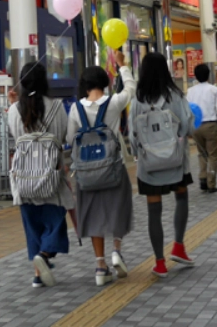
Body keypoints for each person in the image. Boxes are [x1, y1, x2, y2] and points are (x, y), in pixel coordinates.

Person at [66, 52, 136, 286]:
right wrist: (122, 66)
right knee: (118, 208)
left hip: (86, 173)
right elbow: (131, 89)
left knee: (94, 214)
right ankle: (116, 250)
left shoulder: (75, 109)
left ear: (85, 85)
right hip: (114, 167)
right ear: (104, 83)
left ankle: (100, 266)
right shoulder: (113, 103)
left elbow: (70, 138)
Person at [9, 61, 75, 288]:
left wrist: (13, 105)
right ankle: (44, 255)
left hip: (24, 179)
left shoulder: (14, 110)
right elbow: (65, 137)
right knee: (55, 223)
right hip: (51, 177)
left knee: (33, 227)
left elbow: (14, 135)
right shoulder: (57, 107)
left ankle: (38, 275)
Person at [129, 52, 195, 278]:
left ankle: (159, 262)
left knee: (154, 212)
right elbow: (187, 126)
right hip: (176, 161)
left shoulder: (137, 100)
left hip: (149, 166)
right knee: (182, 197)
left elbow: (132, 135)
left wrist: (139, 153)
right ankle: (179, 246)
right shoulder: (175, 96)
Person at [188, 64, 217, 193]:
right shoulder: (214, 90)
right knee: (212, 155)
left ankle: (202, 177)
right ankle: (211, 183)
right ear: (208, 75)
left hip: (196, 126)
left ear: (196, 76)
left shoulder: (190, 91)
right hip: (210, 125)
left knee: (201, 153)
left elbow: (188, 110)